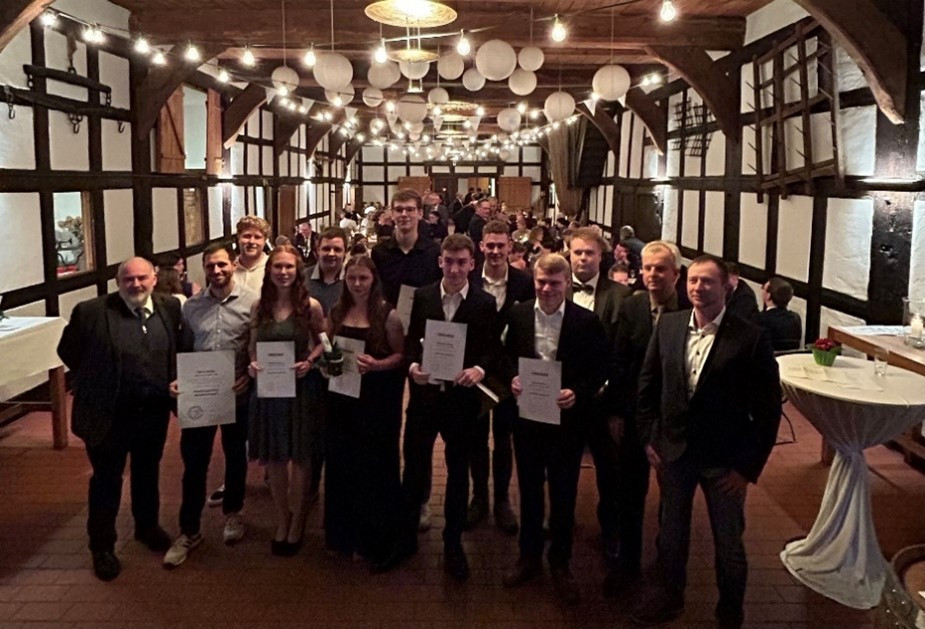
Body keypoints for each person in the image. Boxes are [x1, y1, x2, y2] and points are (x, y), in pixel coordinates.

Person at [631, 255, 781, 629]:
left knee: (729, 544)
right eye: (693, 280)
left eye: (707, 281)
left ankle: (730, 611)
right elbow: (648, 385)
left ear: (726, 286)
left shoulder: (750, 337)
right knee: (671, 535)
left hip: (725, 461)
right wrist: (649, 437)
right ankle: (670, 598)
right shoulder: (669, 325)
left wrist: (747, 468)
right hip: (675, 453)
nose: (698, 287)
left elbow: (767, 411)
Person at [57, 257, 183, 581]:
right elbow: (68, 352)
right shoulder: (91, 312)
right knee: (107, 480)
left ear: (154, 278)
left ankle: (146, 526)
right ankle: (102, 547)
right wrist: (99, 380)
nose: (136, 284)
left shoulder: (169, 307)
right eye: (129, 279)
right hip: (108, 415)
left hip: (152, 412)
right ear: (118, 282)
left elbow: (175, 350)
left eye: (142, 278)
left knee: (147, 472)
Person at [501, 253, 609, 605]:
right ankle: (528, 557)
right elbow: (505, 356)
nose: (547, 289)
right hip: (528, 417)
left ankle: (560, 562)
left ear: (566, 284)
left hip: (566, 421)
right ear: (534, 281)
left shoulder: (585, 321)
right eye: (541, 282)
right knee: (529, 489)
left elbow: (601, 368)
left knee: (564, 493)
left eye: (555, 283)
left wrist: (577, 391)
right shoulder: (518, 315)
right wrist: (512, 378)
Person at [402, 234, 498, 581]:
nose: (455, 269)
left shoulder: (485, 303)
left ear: (472, 264)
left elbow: (492, 349)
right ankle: (406, 536)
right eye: (449, 261)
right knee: (414, 467)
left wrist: (480, 369)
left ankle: (453, 542)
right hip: (425, 398)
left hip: (461, 401)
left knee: (458, 473)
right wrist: (413, 366)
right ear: (440, 261)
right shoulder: (423, 296)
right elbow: (412, 341)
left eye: (461, 262)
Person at [163, 243, 258, 568]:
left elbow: (255, 347)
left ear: (233, 264)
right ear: (203, 269)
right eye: (210, 266)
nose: (216, 271)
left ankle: (233, 512)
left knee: (235, 456)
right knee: (194, 463)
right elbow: (183, 348)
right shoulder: (191, 307)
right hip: (200, 396)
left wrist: (249, 376)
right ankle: (189, 530)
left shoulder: (252, 302)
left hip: (237, 393)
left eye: (221, 264)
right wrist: (178, 379)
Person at [604, 240, 682, 595]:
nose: (652, 274)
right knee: (630, 492)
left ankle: (668, 560)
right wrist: (616, 412)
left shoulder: (688, 309)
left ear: (675, 274)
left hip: (674, 419)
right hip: (635, 413)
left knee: (673, 496)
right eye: (648, 268)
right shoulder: (632, 306)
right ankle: (628, 562)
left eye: (660, 269)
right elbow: (619, 362)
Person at [323, 256, 406, 570]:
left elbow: (400, 355)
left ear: (373, 280)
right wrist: (326, 365)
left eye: (363, 278)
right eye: (352, 278)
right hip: (342, 399)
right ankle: (342, 536)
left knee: (373, 468)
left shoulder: (387, 314)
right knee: (343, 466)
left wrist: (377, 364)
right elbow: (328, 351)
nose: (357, 284)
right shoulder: (336, 312)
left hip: (376, 402)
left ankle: (372, 538)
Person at [247, 245, 326, 556]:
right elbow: (252, 345)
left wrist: (310, 361)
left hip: (301, 389)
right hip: (269, 391)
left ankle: (299, 518)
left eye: (289, 267)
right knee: (276, 457)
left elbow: (324, 341)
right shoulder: (259, 307)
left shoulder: (311, 306)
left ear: (298, 271)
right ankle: (283, 518)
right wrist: (252, 363)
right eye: (277, 267)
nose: (283, 272)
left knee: (301, 457)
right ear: (269, 271)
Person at [466, 220, 535, 534]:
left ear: (510, 246)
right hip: (476, 371)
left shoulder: (525, 282)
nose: (495, 251)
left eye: (500, 245)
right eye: (489, 245)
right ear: (481, 246)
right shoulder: (469, 279)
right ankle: (479, 497)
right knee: (476, 438)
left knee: (505, 439)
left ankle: (503, 500)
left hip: (510, 373)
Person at [567, 227, 631, 563]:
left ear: (601, 257)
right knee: (563, 465)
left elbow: (623, 353)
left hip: (603, 400)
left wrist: (615, 402)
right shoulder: (554, 288)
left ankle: (611, 529)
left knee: (610, 469)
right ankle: (562, 522)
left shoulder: (621, 296)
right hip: (565, 397)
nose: (582, 258)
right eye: (577, 252)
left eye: (589, 253)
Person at [370, 189, 441, 309]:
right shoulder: (379, 253)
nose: (404, 214)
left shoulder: (434, 252)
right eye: (399, 210)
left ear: (420, 213)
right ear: (392, 214)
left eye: (410, 209)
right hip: (388, 318)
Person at [306, 227, 347, 317]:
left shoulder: (353, 281)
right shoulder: (302, 278)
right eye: (326, 249)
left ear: (345, 252)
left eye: (337, 249)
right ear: (318, 250)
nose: (331, 254)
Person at [757, 276, 803, 351]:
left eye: (763, 288)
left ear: (768, 296)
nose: (761, 290)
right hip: (789, 357)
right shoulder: (795, 318)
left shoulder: (760, 319)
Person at [233, 216, 271, 293]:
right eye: (247, 236)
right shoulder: (228, 268)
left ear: (265, 241)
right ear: (238, 238)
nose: (251, 241)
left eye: (257, 237)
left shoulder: (273, 267)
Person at [468, 199, 492, 264]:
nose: (487, 211)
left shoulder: (479, 220)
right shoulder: (478, 222)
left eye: (489, 209)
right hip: (479, 254)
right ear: (478, 208)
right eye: (485, 208)